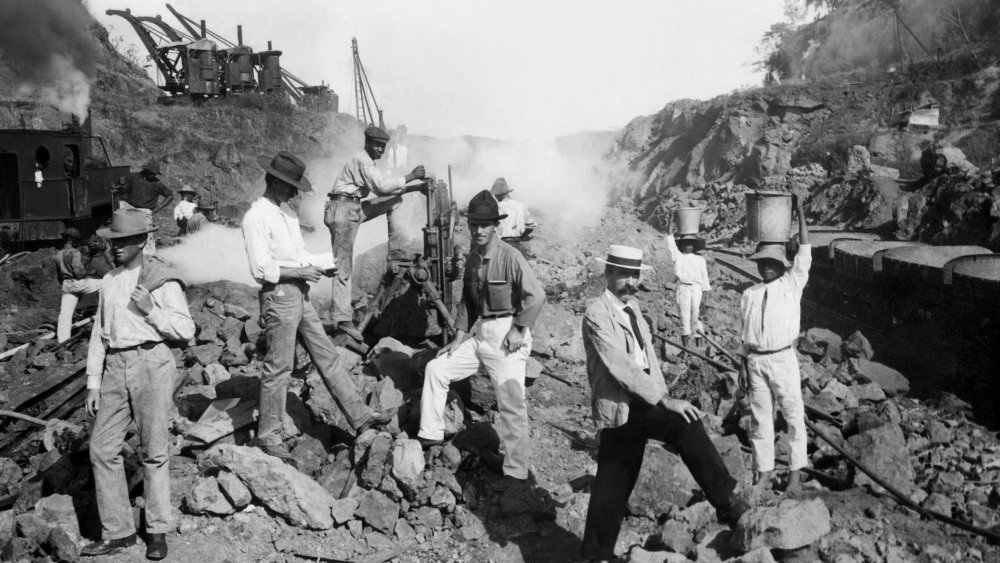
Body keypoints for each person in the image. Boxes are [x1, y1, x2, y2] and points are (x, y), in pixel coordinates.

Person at [580, 244, 749, 562]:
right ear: (608, 273)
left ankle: (727, 503)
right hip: (619, 405)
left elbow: (648, 364)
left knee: (673, 432)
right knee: (615, 479)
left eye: (634, 275)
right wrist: (666, 400)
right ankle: (596, 555)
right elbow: (622, 367)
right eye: (623, 275)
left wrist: (660, 394)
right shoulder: (597, 315)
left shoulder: (634, 310)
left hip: (641, 400)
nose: (630, 282)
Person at [242, 152, 392, 461]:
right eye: (287, 186)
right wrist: (299, 272)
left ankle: (360, 417)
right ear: (272, 181)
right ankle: (268, 435)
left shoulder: (287, 215)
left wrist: (327, 263)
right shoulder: (256, 216)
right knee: (279, 366)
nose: (292, 192)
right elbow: (260, 269)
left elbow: (300, 257)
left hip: (299, 294)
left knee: (327, 355)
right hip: (279, 296)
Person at [81, 207, 195, 560]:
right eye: (113, 241)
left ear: (142, 241)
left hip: (152, 361)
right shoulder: (110, 281)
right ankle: (119, 532)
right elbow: (100, 335)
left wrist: (150, 310)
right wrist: (93, 382)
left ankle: (158, 530)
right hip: (116, 365)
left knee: (154, 451)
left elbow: (186, 330)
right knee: (101, 449)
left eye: (125, 240)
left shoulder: (161, 278)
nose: (116, 247)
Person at [417, 190, 544, 479]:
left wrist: (518, 329)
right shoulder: (473, 259)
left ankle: (515, 470)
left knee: (511, 403)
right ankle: (431, 434)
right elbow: (468, 304)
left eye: (484, 224)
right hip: (480, 335)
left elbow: (536, 296)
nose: (478, 230)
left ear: (495, 226)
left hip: (507, 335)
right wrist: (459, 337)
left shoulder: (511, 257)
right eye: (474, 224)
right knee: (436, 368)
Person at [739, 186, 811, 498]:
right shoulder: (749, 294)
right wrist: (743, 364)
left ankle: (795, 476)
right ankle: (764, 474)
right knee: (760, 419)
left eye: (771, 262)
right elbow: (745, 335)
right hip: (755, 361)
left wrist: (800, 211)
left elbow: (805, 249)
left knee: (794, 416)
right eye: (761, 262)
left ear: (782, 264)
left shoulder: (792, 284)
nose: (765, 266)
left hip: (782, 359)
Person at [325, 125, 427, 341]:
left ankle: (396, 250)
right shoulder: (362, 160)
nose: (380, 150)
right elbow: (381, 186)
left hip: (353, 208)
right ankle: (343, 320)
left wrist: (415, 188)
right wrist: (411, 176)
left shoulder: (369, 162)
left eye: (383, 147)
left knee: (393, 199)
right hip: (343, 211)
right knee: (342, 266)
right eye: (377, 145)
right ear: (367, 143)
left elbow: (388, 189)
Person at [664, 214, 711, 351]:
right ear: (682, 245)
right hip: (683, 289)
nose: (688, 247)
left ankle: (698, 347)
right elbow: (670, 242)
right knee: (684, 317)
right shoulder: (678, 257)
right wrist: (669, 223)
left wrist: (705, 297)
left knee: (696, 316)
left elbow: (704, 279)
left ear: (694, 245)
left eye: (690, 244)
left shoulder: (700, 259)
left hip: (696, 289)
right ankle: (686, 349)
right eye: (685, 244)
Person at [54, 228, 101, 343]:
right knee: (105, 283)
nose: (78, 243)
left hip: (66, 284)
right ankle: (104, 317)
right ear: (72, 239)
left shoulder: (58, 254)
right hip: (77, 283)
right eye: (76, 240)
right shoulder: (75, 252)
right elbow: (78, 272)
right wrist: (90, 272)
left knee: (65, 314)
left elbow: (59, 275)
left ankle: (63, 341)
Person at [491, 177, 537, 242]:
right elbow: (531, 225)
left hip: (502, 244)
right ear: (507, 193)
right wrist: (522, 236)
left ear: (497, 195)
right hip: (518, 242)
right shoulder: (521, 205)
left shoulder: (497, 207)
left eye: (495, 195)